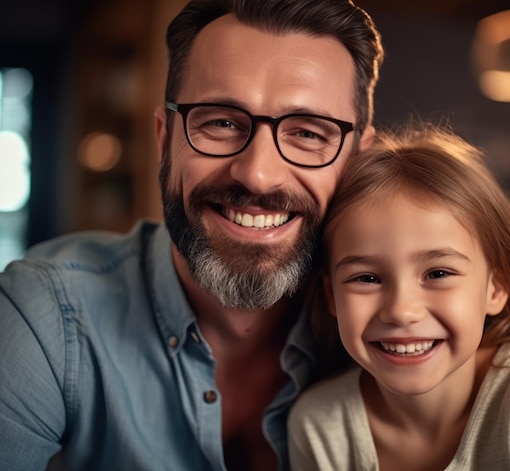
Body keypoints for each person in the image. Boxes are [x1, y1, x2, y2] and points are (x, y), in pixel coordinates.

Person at [0, 1, 383, 470]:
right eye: (221, 122)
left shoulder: (404, 326)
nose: (258, 176)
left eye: (308, 133)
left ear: (360, 159)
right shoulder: (45, 313)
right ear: (165, 139)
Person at [288, 123, 510, 470]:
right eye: (367, 278)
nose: (401, 311)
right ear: (332, 296)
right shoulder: (318, 425)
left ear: (496, 288)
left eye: (438, 274)